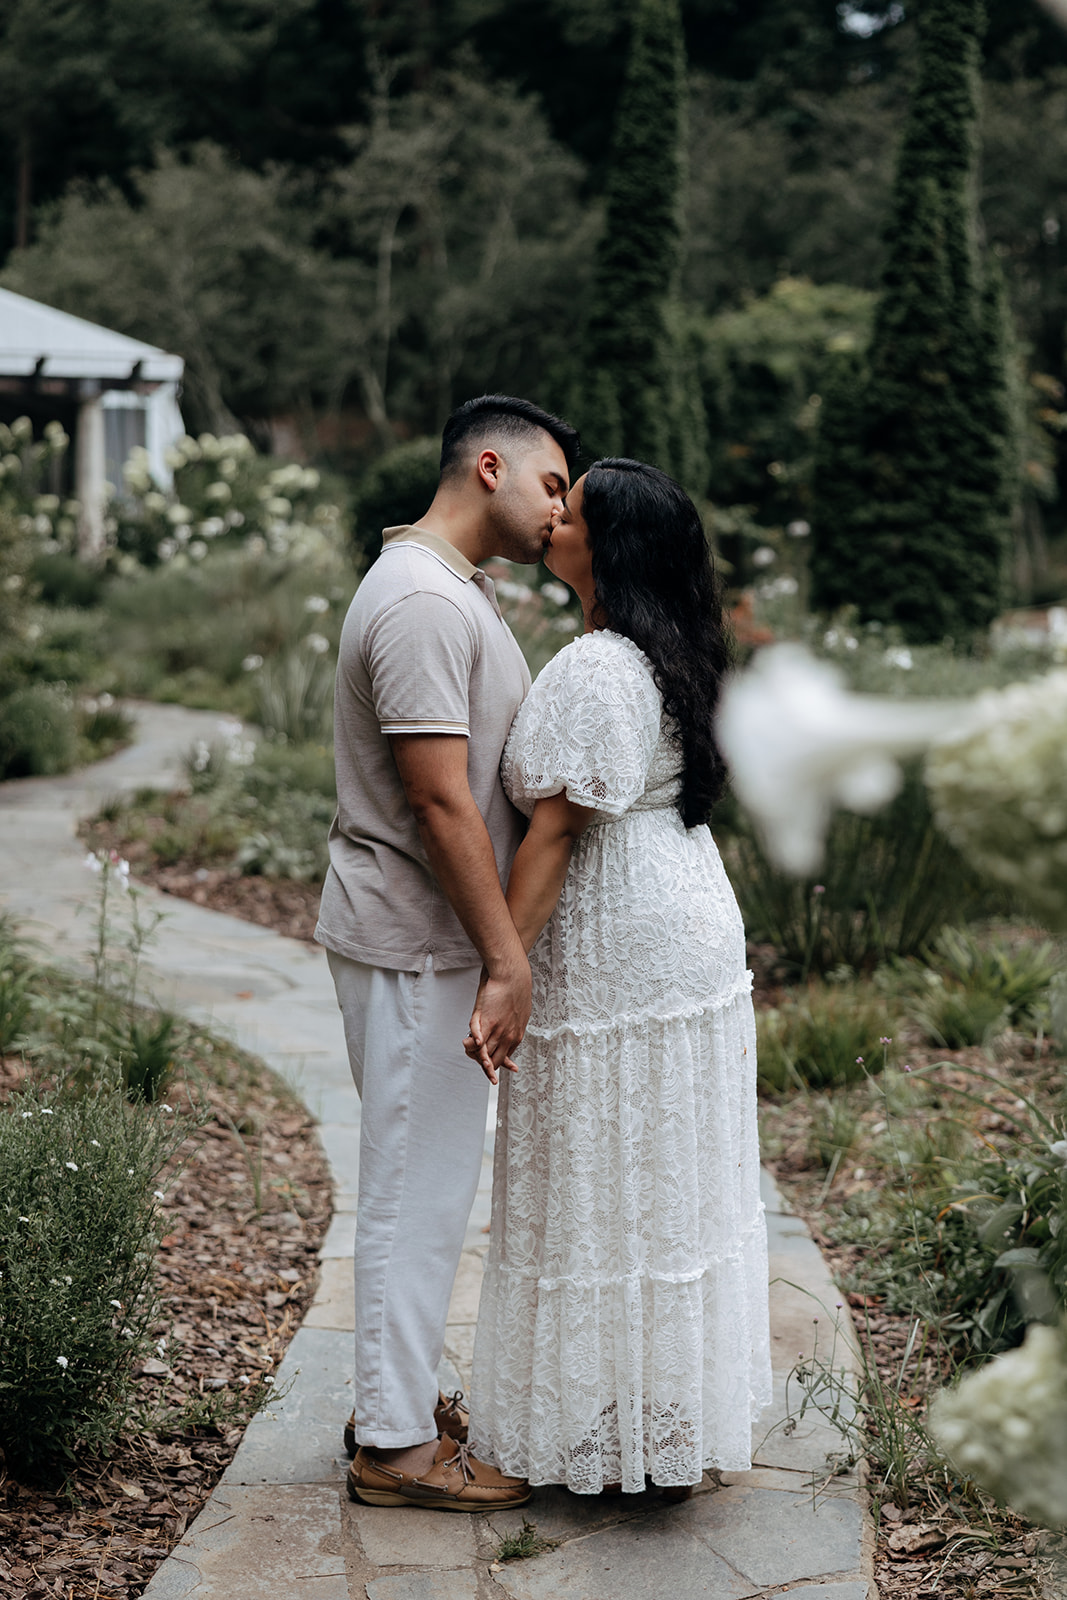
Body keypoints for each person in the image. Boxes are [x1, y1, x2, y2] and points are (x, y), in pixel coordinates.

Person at [466, 458, 772, 1496]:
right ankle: (661, 1420)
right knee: (662, 1177)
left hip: (620, 932)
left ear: (609, 545)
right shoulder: (673, 648)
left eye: (574, 507)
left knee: (599, 1164)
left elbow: (552, 833)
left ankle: (621, 1434)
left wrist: (502, 969)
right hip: (685, 909)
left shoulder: (600, 666)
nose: (554, 515)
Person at [315, 394, 581, 1511]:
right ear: (487, 467)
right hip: (420, 945)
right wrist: (503, 960)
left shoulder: (447, 590)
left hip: (424, 941)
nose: (559, 508)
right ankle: (393, 1447)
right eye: (551, 484)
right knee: (412, 1194)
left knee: (422, 1182)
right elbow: (437, 801)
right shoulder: (424, 601)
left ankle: (399, 1397)